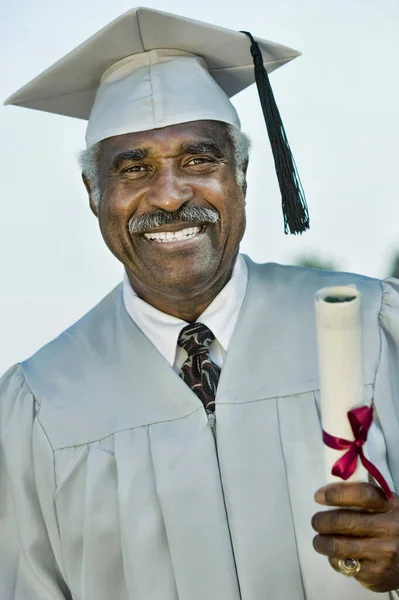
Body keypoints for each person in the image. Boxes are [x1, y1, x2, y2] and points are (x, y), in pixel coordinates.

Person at [1, 7, 399, 600]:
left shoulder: (375, 328)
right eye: (133, 169)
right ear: (93, 193)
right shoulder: (40, 405)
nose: (169, 195)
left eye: (199, 160)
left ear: (241, 173)